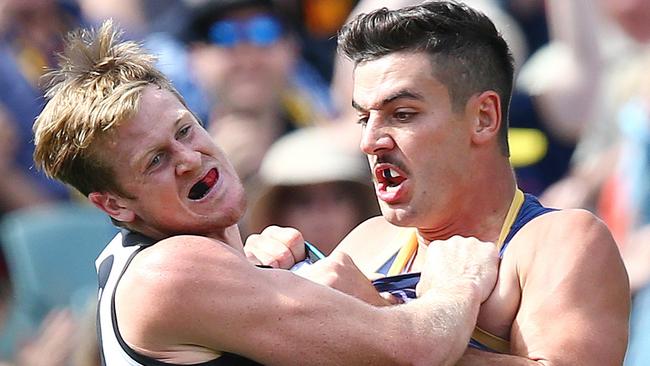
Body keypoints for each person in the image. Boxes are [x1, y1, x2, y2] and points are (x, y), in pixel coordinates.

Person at [32, 20, 501, 365]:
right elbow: (413, 350)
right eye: (155, 160)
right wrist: (457, 282)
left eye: (185, 130)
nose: (189, 159)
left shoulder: (198, 266)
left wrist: (292, 281)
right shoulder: (171, 271)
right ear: (113, 203)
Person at [330, 1, 628, 364]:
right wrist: (272, 277)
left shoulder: (558, 241)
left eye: (402, 114)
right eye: (364, 119)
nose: (370, 141)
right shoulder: (368, 241)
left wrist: (372, 318)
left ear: (484, 118)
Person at [246, 126, 379, 255]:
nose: (323, 216)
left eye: (338, 197)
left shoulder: (391, 273)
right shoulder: (258, 274)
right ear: (276, 214)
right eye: (303, 201)